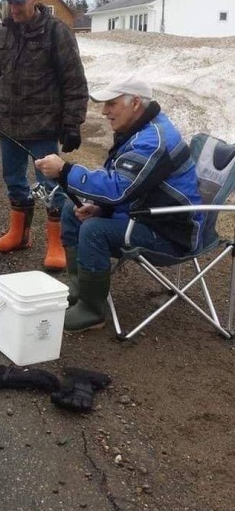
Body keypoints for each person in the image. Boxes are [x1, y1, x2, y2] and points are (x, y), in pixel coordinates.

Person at [35, 74, 204, 332]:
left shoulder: (153, 140)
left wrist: (65, 170)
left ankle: (92, 311)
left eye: (112, 104)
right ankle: (80, 289)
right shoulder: (139, 131)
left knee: (94, 230)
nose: (104, 112)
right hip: (149, 215)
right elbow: (134, 187)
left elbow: (118, 188)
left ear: (135, 103)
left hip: (171, 233)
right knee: (73, 210)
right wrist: (102, 208)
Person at [0, 0, 88, 271]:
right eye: (10, 2)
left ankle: (56, 243)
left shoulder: (57, 32)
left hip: (44, 126)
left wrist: (72, 124)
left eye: (20, 2)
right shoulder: (1, 35)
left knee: (51, 185)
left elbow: (75, 82)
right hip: (8, 125)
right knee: (14, 181)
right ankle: (19, 235)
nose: (14, 8)